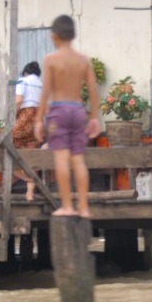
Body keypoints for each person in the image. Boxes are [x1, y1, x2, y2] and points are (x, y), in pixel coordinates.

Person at [34, 15, 100, 218]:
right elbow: (93, 89)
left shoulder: (50, 60)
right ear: (73, 35)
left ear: (54, 36)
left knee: (62, 158)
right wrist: (95, 117)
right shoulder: (83, 60)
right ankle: (84, 207)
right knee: (78, 160)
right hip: (78, 110)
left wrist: (38, 120)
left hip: (60, 110)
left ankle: (67, 206)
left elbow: (45, 92)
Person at [12, 61, 43, 201]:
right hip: (38, 119)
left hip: (26, 116)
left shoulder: (23, 81)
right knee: (33, 152)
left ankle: (20, 175)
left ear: (25, 72)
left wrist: (12, 116)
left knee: (8, 142)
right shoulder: (42, 85)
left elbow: (18, 101)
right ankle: (29, 193)